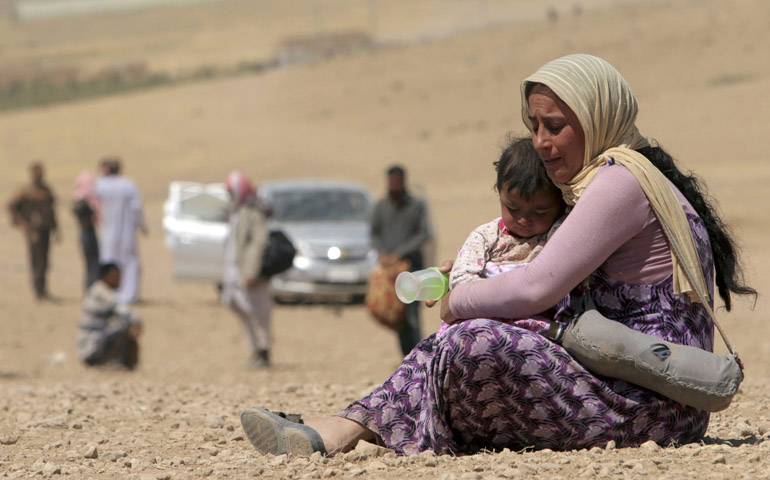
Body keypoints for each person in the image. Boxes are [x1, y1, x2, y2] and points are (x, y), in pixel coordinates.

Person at [239, 54, 756, 456]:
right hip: (627, 383)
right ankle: (340, 430)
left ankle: (340, 430)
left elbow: (537, 289)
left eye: (555, 126)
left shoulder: (620, 183)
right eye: (535, 126)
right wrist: (480, 277)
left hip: (651, 403)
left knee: (471, 342)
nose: (542, 142)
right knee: (468, 344)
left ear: (598, 115)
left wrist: (460, 298)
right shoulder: (623, 176)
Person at [437, 135, 565, 338]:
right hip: (481, 320)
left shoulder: (559, 233)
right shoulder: (485, 236)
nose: (524, 220)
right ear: (499, 194)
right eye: (513, 208)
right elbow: (463, 280)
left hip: (536, 329)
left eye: (540, 212)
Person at [370, 165, 430, 356]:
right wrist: (383, 254)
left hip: (411, 268)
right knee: (397, 315)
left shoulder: (416, 205)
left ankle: (419, 356)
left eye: (396, 181)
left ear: (404, 181)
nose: (393, 184)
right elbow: (374, 233)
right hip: (389, 271)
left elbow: (423, 234)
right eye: (390, 181)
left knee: (412, 315)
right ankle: (406, 358)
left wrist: (399, 253)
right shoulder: (381, 206)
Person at [221, 171, 274, 369]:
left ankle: (263, 351)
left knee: (259, 313)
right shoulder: (237, 211)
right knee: (239, 308)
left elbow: (258, 244)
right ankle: (254, 350)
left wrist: (251, 272)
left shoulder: (254, 212)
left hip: (249, 274)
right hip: (234, 273)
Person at [94, 157, 147, 304]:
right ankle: (129, 295)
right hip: (126, 233)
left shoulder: (100, 186)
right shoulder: (128, 185)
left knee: (109, 262)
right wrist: (142, 226)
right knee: (129, 263)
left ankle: (108, 295)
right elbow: (137, 209)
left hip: (107, 233)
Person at [7, 162, 60, 300]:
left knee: (45, 261)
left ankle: (43, 290)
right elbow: (11, 206)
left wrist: (56, 229)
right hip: (34, 231)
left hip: (46, 230)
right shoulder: (26, 190)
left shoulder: (46, 190)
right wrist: (22, 224)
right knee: (36, 261)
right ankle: (38, 292)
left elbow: (51, 211)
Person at [76, 262, 142, 369]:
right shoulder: (102, 293)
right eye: (115, 276)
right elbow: (126, 313)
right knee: (124, 324)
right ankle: (120, 362)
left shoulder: (97, 290)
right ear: (105, 276)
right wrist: (137, 322)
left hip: (92, 345)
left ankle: (117, 361)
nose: (119, 280)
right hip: (90, 349)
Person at [72, 171, 101, 291]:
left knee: (92, 263)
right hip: (87, 232)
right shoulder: (83, 199)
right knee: (92, 263)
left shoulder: (80, 198)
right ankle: (91, 288)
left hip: (87, 232)